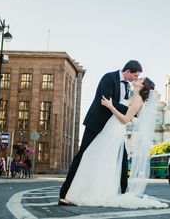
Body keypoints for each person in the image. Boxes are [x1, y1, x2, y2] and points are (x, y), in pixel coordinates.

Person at [65, 77, 168, 208]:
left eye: (140, 79)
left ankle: (99, 193)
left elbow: (125, 119)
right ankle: (93, 191)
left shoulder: (138, 100)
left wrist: (110, 105)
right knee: (98, 158)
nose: (137, 78)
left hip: (115, 131)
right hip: (110, 128)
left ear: (142, 86)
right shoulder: (133, 95)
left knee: (98, 157)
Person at [59, 60, 143, 205]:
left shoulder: (128, 86)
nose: (135, 78)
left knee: (122, 159)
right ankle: (64, 194)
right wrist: (132, 112)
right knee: (82, 154)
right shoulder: (108, 78)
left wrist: (131, 110)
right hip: (96, 124)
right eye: (135, 75)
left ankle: (124, 193)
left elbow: (118, 104)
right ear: (127, 71)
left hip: (113, 129)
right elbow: (105, 101)